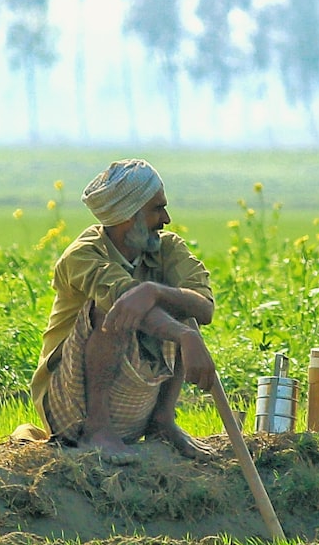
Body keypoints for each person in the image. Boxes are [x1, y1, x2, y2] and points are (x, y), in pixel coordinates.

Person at [30, 158, 218, 463]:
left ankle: (162, 421)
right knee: (113, 311)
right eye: (157, 209)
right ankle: (98, 429)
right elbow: (122, 299)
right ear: (129, 217)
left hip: (135, 402)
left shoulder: (167, 248)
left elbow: (203, 306)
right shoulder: (83, 255)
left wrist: (155, 290)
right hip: (72, 405)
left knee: (179, 304)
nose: (166, 218)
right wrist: (185, 336)